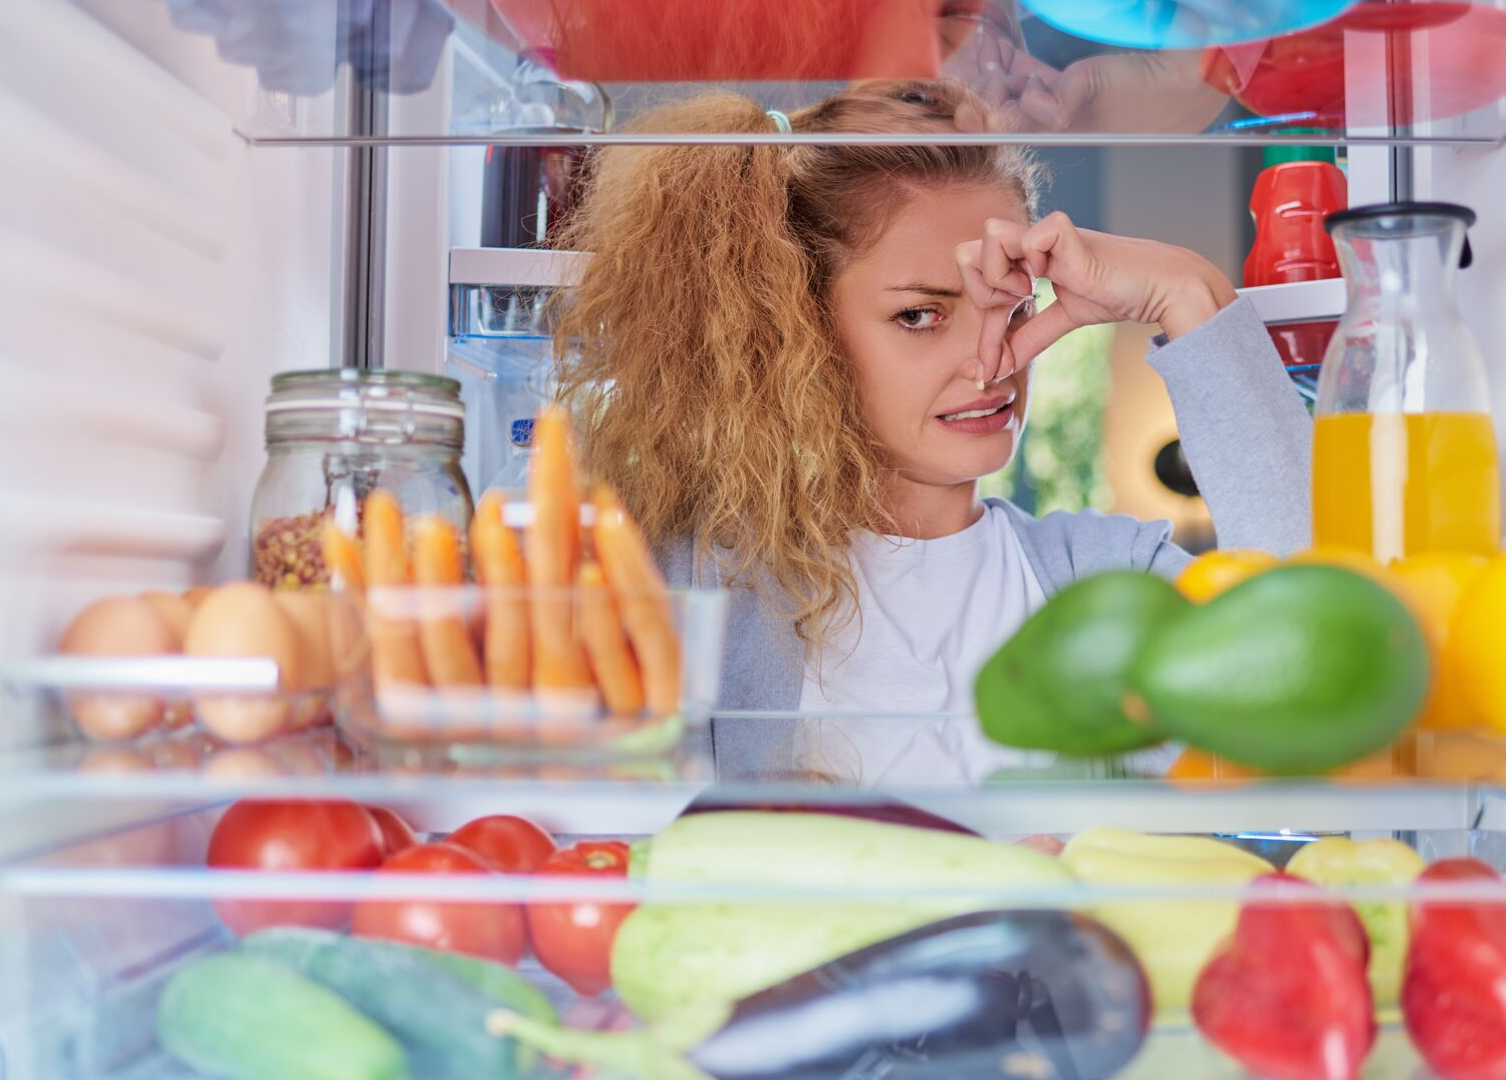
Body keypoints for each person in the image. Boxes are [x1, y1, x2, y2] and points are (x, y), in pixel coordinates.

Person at [551, 79, 1310, 778]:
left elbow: (1325, 650)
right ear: (793, 332)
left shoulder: (1110, 577)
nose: (990, 362)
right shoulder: (686, 578)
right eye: (920, 315)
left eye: (1012, 308)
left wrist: (1182, 289)